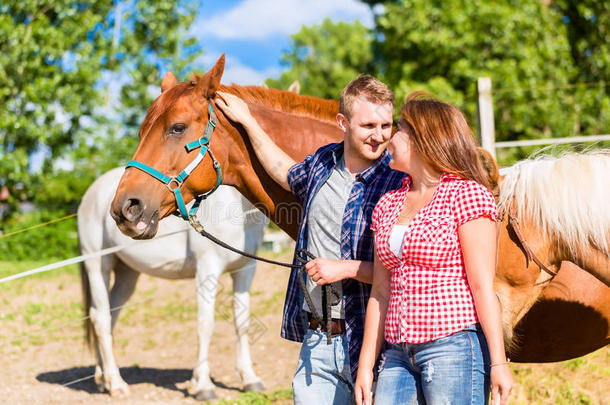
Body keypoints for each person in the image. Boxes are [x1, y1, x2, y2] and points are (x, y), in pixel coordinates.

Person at [216, 76, 406, 404]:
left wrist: (344, 269)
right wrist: (247, 120)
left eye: (386, 125)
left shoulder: (397, 183)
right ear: (342, 123)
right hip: (319, 334)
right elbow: (283, 170)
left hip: (375, 342)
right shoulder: (321, 163)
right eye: (368, 125)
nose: (378, 136)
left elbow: (409, 272)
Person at [354, 92, 514, 405]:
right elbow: (380, 292)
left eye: (399, 128)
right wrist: (365, 367)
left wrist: (499, 362)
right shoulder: (388, 204)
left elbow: (483, 287)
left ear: (422, 139)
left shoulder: (467, 196)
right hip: (398, 352)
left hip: (453, 346)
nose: (389, 136)